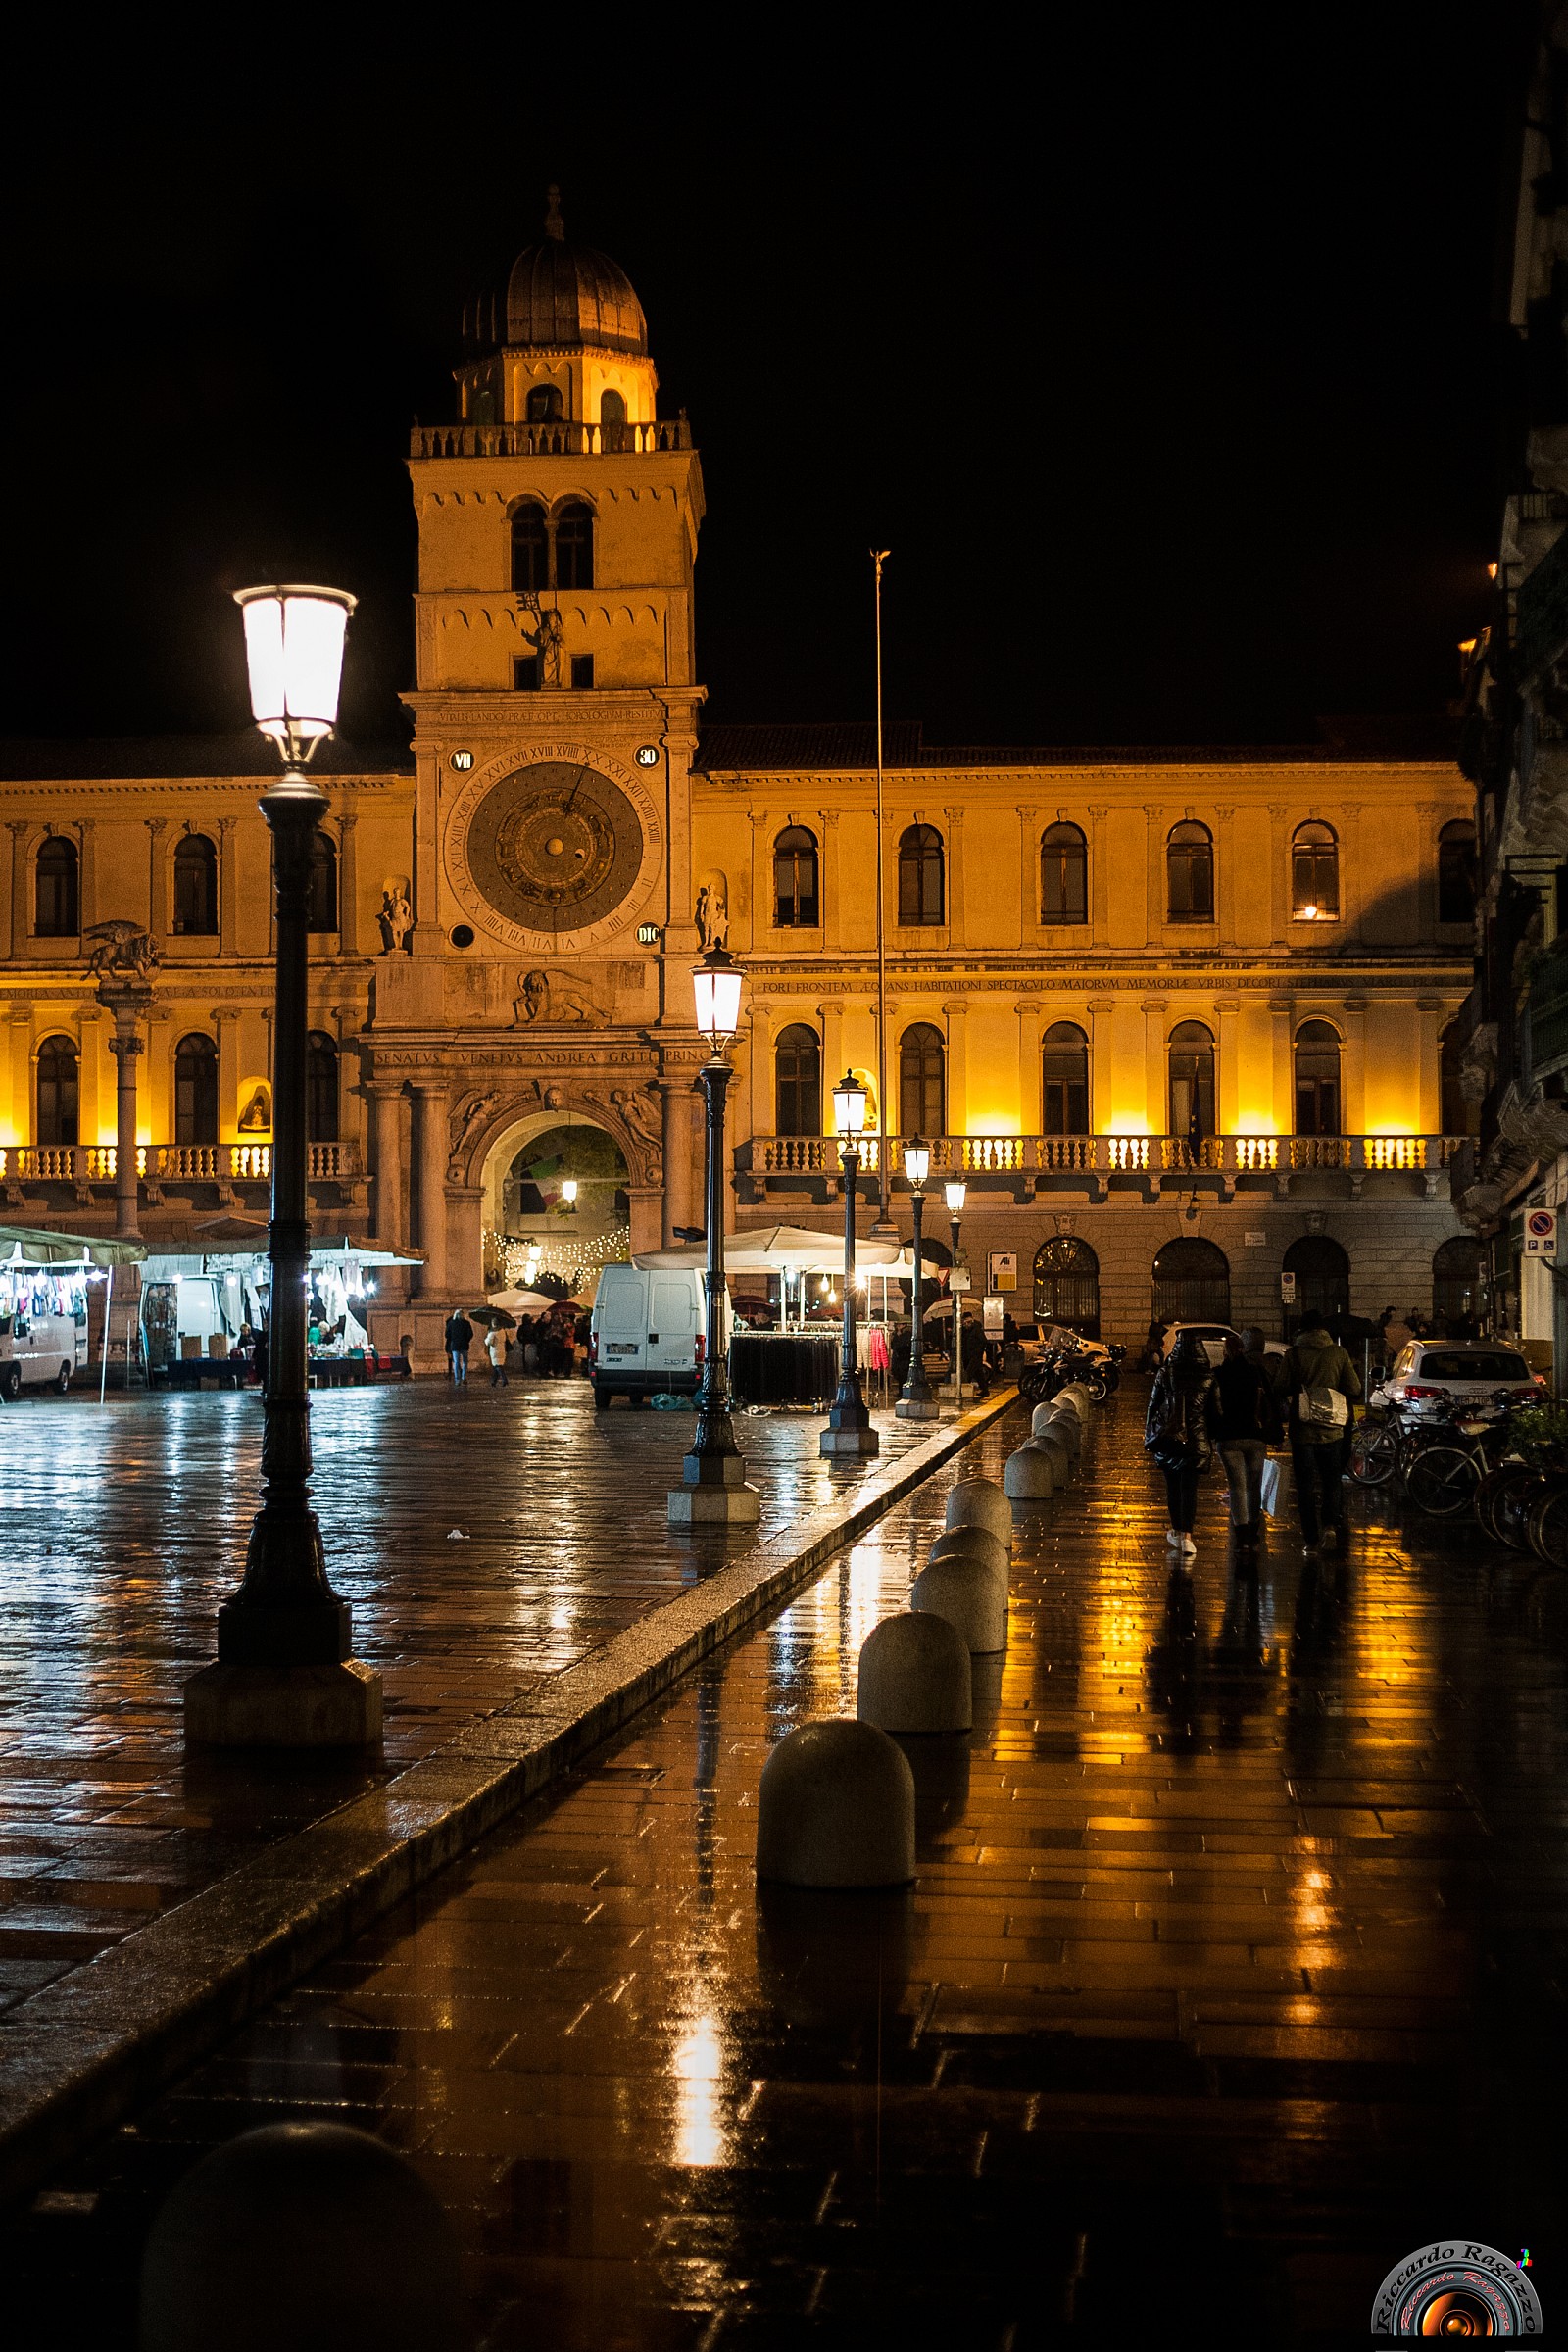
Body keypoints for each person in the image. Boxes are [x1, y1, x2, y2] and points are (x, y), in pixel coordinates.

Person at [1286, 1315, 1361, 1555]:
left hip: (1303, 1432)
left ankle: (1311, 1540)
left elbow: (1279, 1387)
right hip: (1332, 1431)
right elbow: (1355, 1388)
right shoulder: (1338, 1353)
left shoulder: (1293, 1354)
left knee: (1305, 1487)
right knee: (1331, 1482)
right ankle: (1330, 1525)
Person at [1204, 1332, 1284, 1546]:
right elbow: (1271, 1402)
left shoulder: (1218, 1374)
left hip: (1228, 1437)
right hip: (1255, 1435)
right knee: (1253, 1485)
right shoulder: (1255, 1372)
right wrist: (1276, 1433)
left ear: (1224, 1352)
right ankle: (1253, 1525)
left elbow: (1210, 1408)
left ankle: (1241, 1532)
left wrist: (1211, 1434)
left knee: (1237, 1486)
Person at [1144, 1327, 1213, 1557]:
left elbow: (1153, 1406)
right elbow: (1216, 1412)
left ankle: (1175, 1529)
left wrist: (1149, 1435)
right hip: (1196, 1440)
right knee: (1190, 1488)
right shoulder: (1208, 1376)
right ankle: (1187, 1537)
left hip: (1170, 1439)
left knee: (1173, 1486)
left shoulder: (1165, 1373)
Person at [444, 1308, 473, 1387]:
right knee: (465, 1362)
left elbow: (446, 1335)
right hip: (464, 1345)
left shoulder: (451, 1323)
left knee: (456, 1362)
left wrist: (453, 1338)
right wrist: (466, 1340)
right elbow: (470, 1334)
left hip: (455, 1345)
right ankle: (464, 1377)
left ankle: (457, 1380)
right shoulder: (466, 1323)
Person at [484, 1322, 509, 1389]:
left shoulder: (493, 1332)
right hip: (501, 1349)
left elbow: (489, 1342)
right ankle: (493, 1382)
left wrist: (486, 1338)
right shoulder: (502, 1331)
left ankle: (504, 1380)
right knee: (496, 1367)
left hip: (495, 1350)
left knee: (498, 1366)